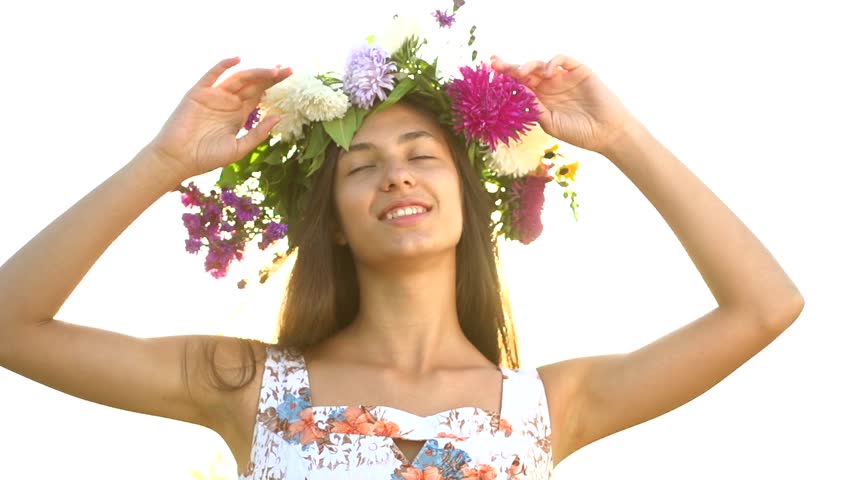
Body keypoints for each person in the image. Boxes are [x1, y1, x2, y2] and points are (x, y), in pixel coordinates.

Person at [0, 50, 803, 479]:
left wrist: (622, 138)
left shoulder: (551, 405)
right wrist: (165, 161)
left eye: (423, 155)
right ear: (335, 225)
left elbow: (765, 306)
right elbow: (12, 327)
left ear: (466, 201)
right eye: (362, 166)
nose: (397, 176)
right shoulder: (248, 387)